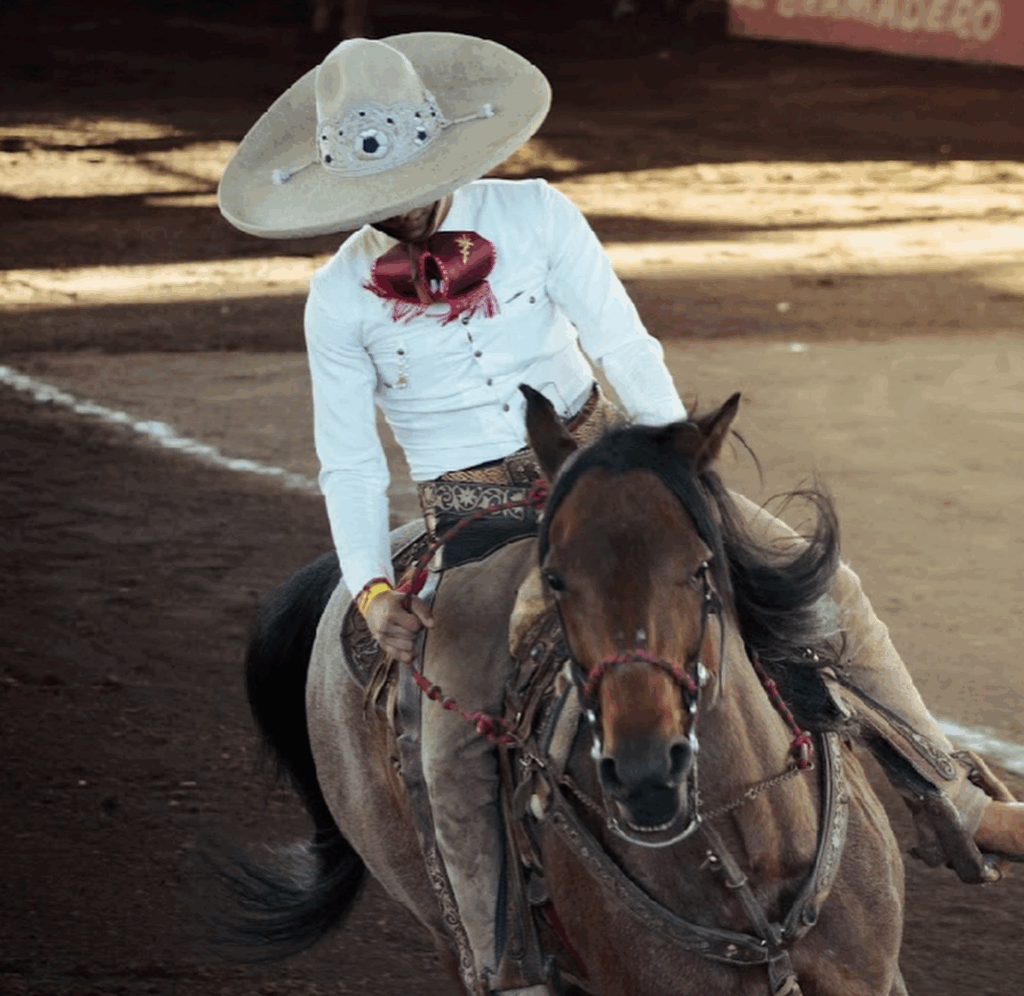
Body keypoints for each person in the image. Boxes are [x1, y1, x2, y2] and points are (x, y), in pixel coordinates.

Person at [219, 33, 1024, 996]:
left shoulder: (537, 213)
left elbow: (621, 341)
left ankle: (951, 796)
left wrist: (675, 461)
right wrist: (371, 587)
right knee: (448, 739)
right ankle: (503, 966)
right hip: (476, 522)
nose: (397, 205)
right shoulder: (334, 301)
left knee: (822, 587)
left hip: (608, 462)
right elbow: (347, 458)